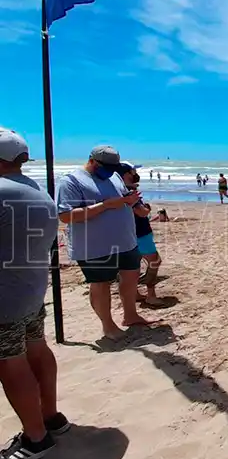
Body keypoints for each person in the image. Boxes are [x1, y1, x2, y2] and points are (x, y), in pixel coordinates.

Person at [0, 130, 70, 459]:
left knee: (11, 364)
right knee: (37, 350)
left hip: (5, 299)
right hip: (30, 291)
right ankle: (51, 416)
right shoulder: (37, 192)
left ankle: (35, 437)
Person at [56, 145, 149, 340]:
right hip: (94, 246)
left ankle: (130, 315)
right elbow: (66, 216)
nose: (111, 172)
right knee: (101, 284)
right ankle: (108, 326)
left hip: (125, 240)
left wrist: (133, 202)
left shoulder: (114, 177)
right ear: (92, 161)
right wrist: (105, 206)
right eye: (107, 167)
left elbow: (123, 199)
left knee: (131, 276)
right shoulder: (71, 181)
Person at [119, 163, 164, 306]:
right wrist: (147, 209)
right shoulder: (128, 192)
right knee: (154, 261)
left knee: (134, 265)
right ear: (126, 174)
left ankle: (136, 293)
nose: (135, 174)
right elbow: (141, 212)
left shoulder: (116, 190)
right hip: (140, 232)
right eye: (133, 172)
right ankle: (151, 295)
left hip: (127, 232)